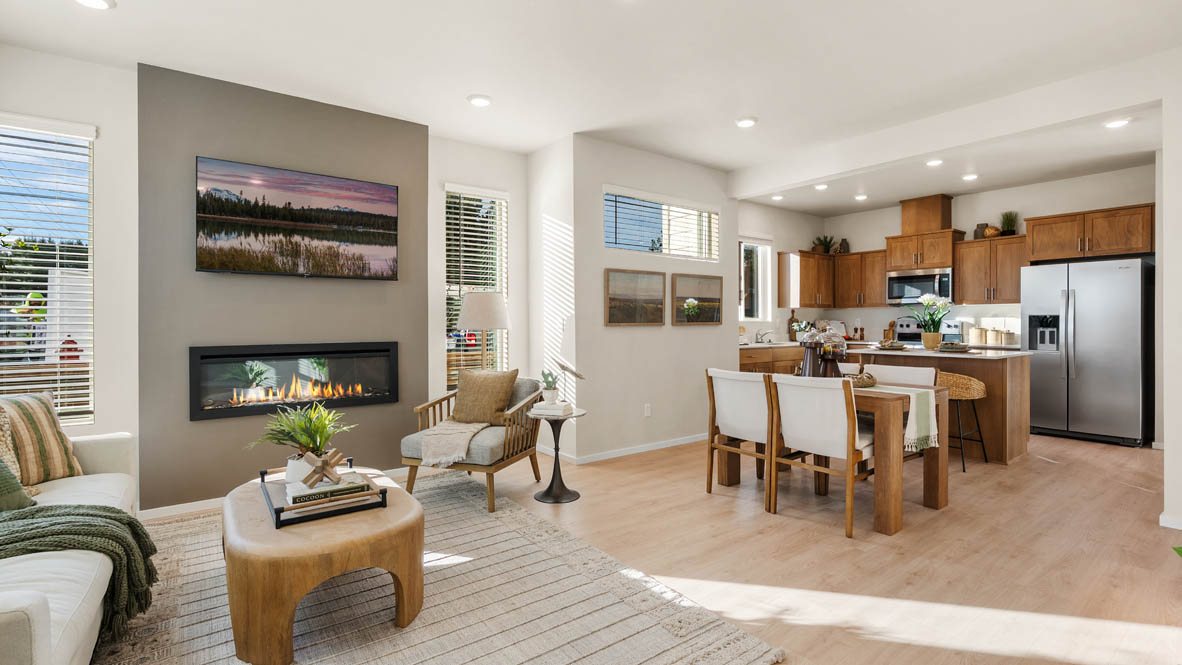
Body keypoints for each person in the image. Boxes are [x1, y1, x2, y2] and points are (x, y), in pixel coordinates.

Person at [11, 291, 47, 361]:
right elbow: (10, 318)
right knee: (17, 359)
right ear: (28, 301)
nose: (36, 304)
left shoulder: (45, 310)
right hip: (22, 337)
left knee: (34, 359)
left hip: (37, 339)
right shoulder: (18, 309)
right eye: (33, 302)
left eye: (38, 302)